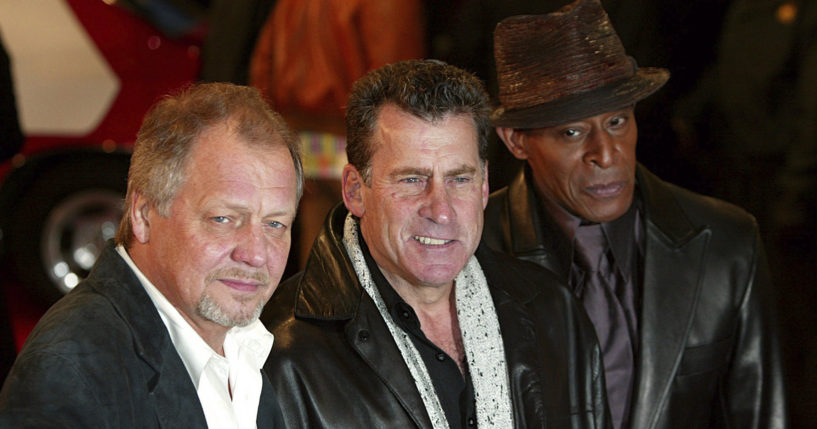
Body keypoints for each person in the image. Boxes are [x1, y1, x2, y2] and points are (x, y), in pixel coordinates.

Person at [482, 1, 788, 428]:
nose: (607, 154)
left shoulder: (726, 243)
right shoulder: (470, 255)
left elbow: (759, 414)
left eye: (618, 122)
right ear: (516, 141)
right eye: (572, 132)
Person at [262, 59, 610, 428]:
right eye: (412, 180)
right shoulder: (282, 351)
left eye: (459, 179)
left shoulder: (553, 310)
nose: (441, 212)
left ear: (484, 185)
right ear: (354, 190)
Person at [0, 82, 303, 428]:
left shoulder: (249, 343)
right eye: (223, 219)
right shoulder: (69, 377)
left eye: (275, 224)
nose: (255, 254)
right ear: (143, 215)